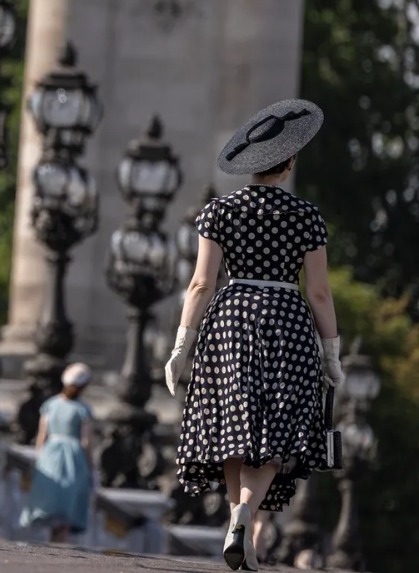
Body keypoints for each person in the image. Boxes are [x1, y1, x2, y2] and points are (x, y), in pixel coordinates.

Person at [164, 99, 343, 571]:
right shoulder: (307, 217)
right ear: (287, 165)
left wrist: (182, 346)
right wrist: (332, 352)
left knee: (233, 422)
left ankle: (235, 521)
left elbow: (201, 283)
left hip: (230, 320)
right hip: (288, 320)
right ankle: (245, 516)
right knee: (276, 427)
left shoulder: (217, 212)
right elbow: (320, 294)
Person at [20, 362, 96, 543]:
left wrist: (39, 457)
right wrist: (91, 467)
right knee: (69, 498)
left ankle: (53, 537)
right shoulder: (83, 409)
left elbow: (41, 436)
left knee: (52, 496)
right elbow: (86, 442)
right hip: (74, 457)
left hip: (50, 454)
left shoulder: (50, 405)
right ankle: (60, 540)